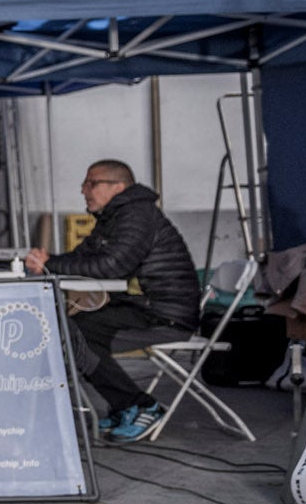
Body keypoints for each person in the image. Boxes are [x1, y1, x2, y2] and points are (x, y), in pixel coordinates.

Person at [24, 160, 201, 441]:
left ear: (118, 187)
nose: (84, 190)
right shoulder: (116, 216)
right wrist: (47, 262)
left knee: (74, 334)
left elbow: (111, 266)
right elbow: (85, 257)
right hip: (144, 307)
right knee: (72, 329)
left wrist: (52, 264)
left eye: (91, 183)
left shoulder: (136, 215)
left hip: (164, 315)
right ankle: (125, 406)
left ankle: (142, 406)